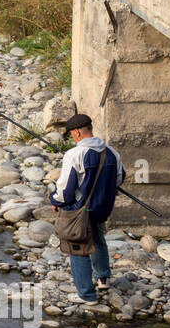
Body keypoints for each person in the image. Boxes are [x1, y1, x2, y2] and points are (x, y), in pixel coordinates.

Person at [51, 113, 125, 303]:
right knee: (98, 238)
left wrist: (55, 201)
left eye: (70, 134)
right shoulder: (111, 152)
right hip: (103, 208)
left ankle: (86, 295)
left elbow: (66, 189)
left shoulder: (75, 154)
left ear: (76, 132)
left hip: (81, 210)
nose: (71, 137)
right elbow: (120, 178)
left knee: (79, 246)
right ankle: (103, 278)